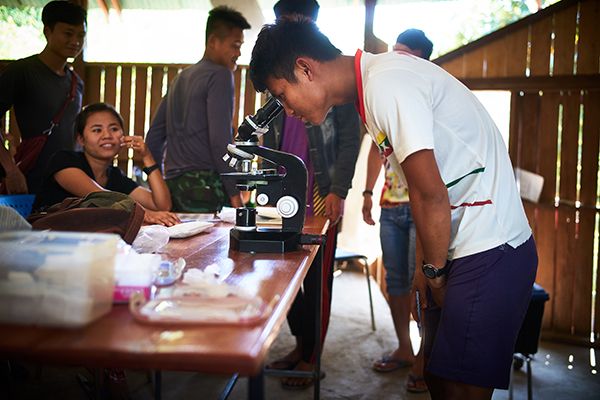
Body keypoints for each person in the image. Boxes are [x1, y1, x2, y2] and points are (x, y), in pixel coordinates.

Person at [248, 15, 538, 400]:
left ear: (305, 69)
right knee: (436, 374)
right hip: (458, 240)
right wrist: (426, 266)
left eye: (282, 95)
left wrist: (433, 271)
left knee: (462, 390)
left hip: (490, 244)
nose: (287, 110)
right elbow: (424, 192)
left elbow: (430, 194)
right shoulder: (371, 89)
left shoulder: (386, 83)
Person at [261, 0, 361, 391]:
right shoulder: (273, 65)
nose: (286, 27)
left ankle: (312, 356)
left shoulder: (329, 68)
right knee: (285, 273)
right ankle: (299, 345)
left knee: (318, 279)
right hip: (281, 190)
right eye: (281, 21)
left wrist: (339, 190)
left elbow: (351, 139)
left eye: (295, 21)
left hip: (320, 192)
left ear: (311, 23)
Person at [362, 28, 433, 394]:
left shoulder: (428, 95)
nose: (394, 58)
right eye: (393, 51)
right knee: (396, 280)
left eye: (403, 53)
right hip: (390, 206)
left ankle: (423, 357)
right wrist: (366, 193)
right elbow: (378, 148)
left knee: (423, 285)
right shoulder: (386, 99)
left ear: (422, 59)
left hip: (422, 209)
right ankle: (405, 348)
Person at [145, 6, 250, 213]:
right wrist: (235, 196)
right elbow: (220, 141)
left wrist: (159, 186)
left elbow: (153, 138)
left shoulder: (179, 79)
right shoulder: (220, 75)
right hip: (206, 188)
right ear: (213, 41)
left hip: (174, 187)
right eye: (235, 45)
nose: (238, 53)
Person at [33, 102, 180, 227]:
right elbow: (99, 196)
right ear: (81, 139)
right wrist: (146, 214)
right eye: (97, 130)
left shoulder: (115, 177)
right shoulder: (64, 161)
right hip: (45, 241)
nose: (107, 135)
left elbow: (162, 205)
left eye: (114, 129)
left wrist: (147, 157)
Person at [0, 0, 86, 195]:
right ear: (47, 31)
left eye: (81, 35)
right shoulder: (21, 72)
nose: (76, 42)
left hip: (68, 181)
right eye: (68, 33)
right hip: (31, 177)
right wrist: (11, 170)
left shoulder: (76, 83)